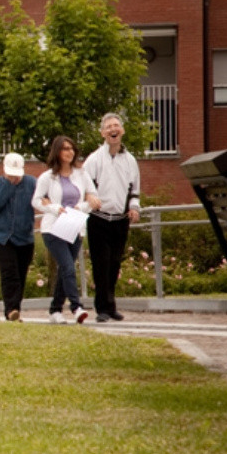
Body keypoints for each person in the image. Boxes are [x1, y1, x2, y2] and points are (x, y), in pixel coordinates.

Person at [32, 135, 96, 325]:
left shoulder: (81, 174)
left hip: (75, 227)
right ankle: (76, 307)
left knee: (64, 271)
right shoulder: (47, 177)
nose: (69, 152)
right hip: (53, 229)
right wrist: (53, 207)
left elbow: (92, 199)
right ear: (57, 152)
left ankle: (55, 310)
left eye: (71, 148)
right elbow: (36, 200)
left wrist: (80, 208)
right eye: (65, 149)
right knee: (68, 267)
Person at [83, 112, 141, 322]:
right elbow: (85, 186)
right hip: (99, 219)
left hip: (120, 220)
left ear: (122, 131)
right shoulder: (94, 160)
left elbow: (134, 189)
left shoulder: (130, 160)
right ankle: (102, 309)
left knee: (115, 263)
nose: (113, 129)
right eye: (108, 127)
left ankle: (111, 305)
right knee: (101, 264)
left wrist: (134, 207)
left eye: (116, 126)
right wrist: (91, 197)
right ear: (102, 133)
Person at [0, 152, 37, 321]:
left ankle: (15, 309)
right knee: (9, 273)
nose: (15, 177)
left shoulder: (31, 183)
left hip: (25, 238)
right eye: (11, 174)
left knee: (21, 274)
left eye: (17, 174)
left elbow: (40, 199)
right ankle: (11, 310)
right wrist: (8, 184)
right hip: (2, 238)